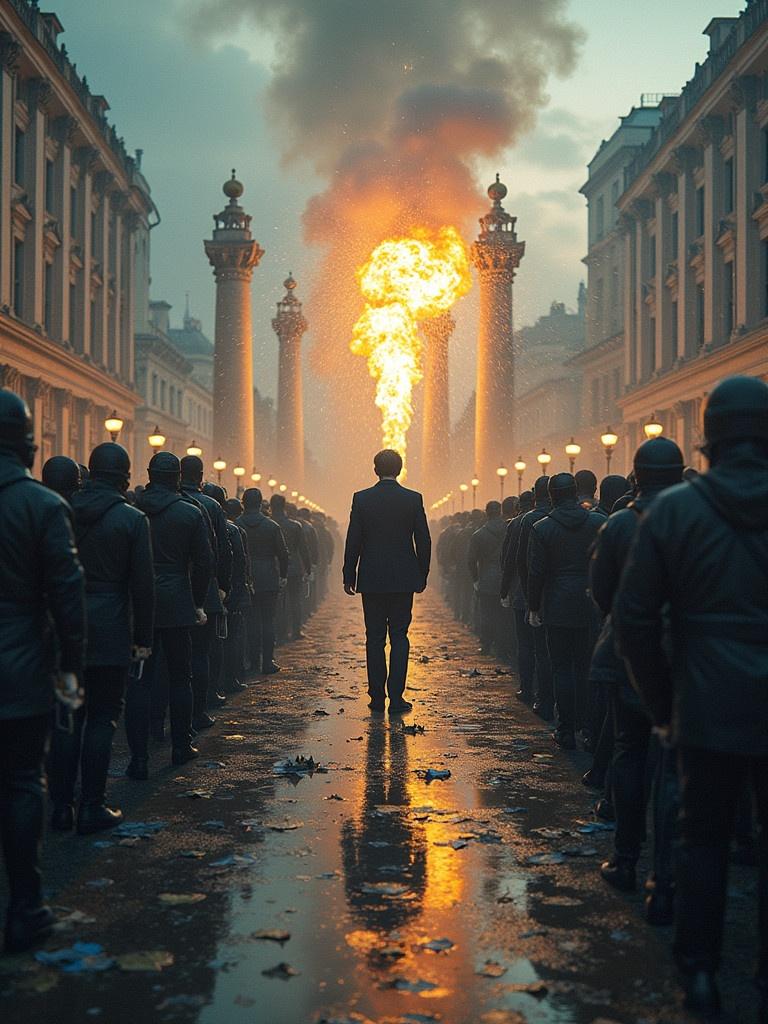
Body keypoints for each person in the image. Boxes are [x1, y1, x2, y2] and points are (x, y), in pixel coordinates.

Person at [614, 376, 768, 1019]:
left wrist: (663, 703)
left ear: (706, 442)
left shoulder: (675, 511)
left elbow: (634, 620)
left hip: (703, 703)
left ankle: (700, 973)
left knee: (701, 840)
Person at [0, 390, 85, 952]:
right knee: (23, 781)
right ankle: (26, 907)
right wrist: (71, 669)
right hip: (21, 666)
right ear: (30, 446)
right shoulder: (43, 506)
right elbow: (67, 597)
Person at [589, 438, 683, 921]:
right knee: (673, 767)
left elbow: (602, 594)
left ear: (636, 476)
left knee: (630, 750)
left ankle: (626, 859)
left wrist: (625, 631)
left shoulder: (621, 522)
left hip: (629, 653)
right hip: (690, 659)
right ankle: (665, 879)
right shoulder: (700, 517)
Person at [48, 443, 155, 835]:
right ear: (125, 477)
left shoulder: (61, 512)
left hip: (66, 631)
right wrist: (142, 640)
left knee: (68, 716)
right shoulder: (132, 520)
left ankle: (61, 807)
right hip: (111, 632)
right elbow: (143, 588)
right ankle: (92, 805)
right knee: (103, 717)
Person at [129, 452, 211, 778]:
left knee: (140, 681)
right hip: (178, 603)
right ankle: (180, 746)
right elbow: (204, 562)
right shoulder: (190, 513)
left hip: (140, 607)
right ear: (178, 477)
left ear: (149, 474)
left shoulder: (132, 511)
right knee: (180, 676)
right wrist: (196, 601)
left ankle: (138, 759)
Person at [343, 449, 431, 714]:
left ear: (375, 470)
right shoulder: (413, 499)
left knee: (374, 638)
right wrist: (421, 574)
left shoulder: (362, 499)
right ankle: (396, 697)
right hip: (403, 578)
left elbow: (353, 540)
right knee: (400, 636)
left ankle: (376, 697)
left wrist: (350, 573)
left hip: (372, 578)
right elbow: (423, 540)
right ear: (401, 469)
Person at [526, 472, 603, 749]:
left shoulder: (542, 528)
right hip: (589, 602)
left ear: (551, 496)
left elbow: (536, 573)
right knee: (585, 668)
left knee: (561, 668)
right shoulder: (597, 523)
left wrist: (534, 607)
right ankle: (587, 727)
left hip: (557, 604)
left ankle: (566, 728)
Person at [179, 455, 232, 728]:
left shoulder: (152, 504)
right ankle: (199, 711)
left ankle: (157, 722)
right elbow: (220, 551)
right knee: (201, 653)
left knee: (169, 662)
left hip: (170, 590)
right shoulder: (210, 505)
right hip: (205, 589)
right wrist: (223, 586)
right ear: (200, 476)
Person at [237, 488, 289, 675]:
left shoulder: (237, 524)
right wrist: (283, 575)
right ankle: (267, 662)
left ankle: (252, 662)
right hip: (268, 578)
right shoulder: (272, 526)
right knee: (268, 622)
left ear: (244, 503)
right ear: (260, 504)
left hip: (246, 578)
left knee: (250, 622)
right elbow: (283, 554)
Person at [516, 475, 554, 719]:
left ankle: (541, 697)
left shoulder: (530, 521)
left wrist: (529, 598)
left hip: (540, 594)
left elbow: (523, 562)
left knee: (540, 650)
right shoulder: (592, 519)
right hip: (574, 597)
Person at [501, 490, 535, 702]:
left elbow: (510, 559)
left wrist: (504, 589)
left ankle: (528, 688)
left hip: (523, 591)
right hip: (551, 593)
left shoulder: (517, 523)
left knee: (525, 643)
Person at [467, 501, 506, 655]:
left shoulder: (478, 534)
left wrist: (476, 579)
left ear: (487, 513)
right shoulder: (509, 529)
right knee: (504, 615)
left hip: (486, 578)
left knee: (487, 614)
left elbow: (471, 560)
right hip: (505, 577)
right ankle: (503, 646)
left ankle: (487, 644)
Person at [271, 493, 311, 640]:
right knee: (295, 601)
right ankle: (295, 630)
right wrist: (308, 569)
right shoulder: (295, 526)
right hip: (293, 567)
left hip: (273, 568)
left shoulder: (269, 524)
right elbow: (303, 549)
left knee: (278, 603)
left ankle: (280, 633)